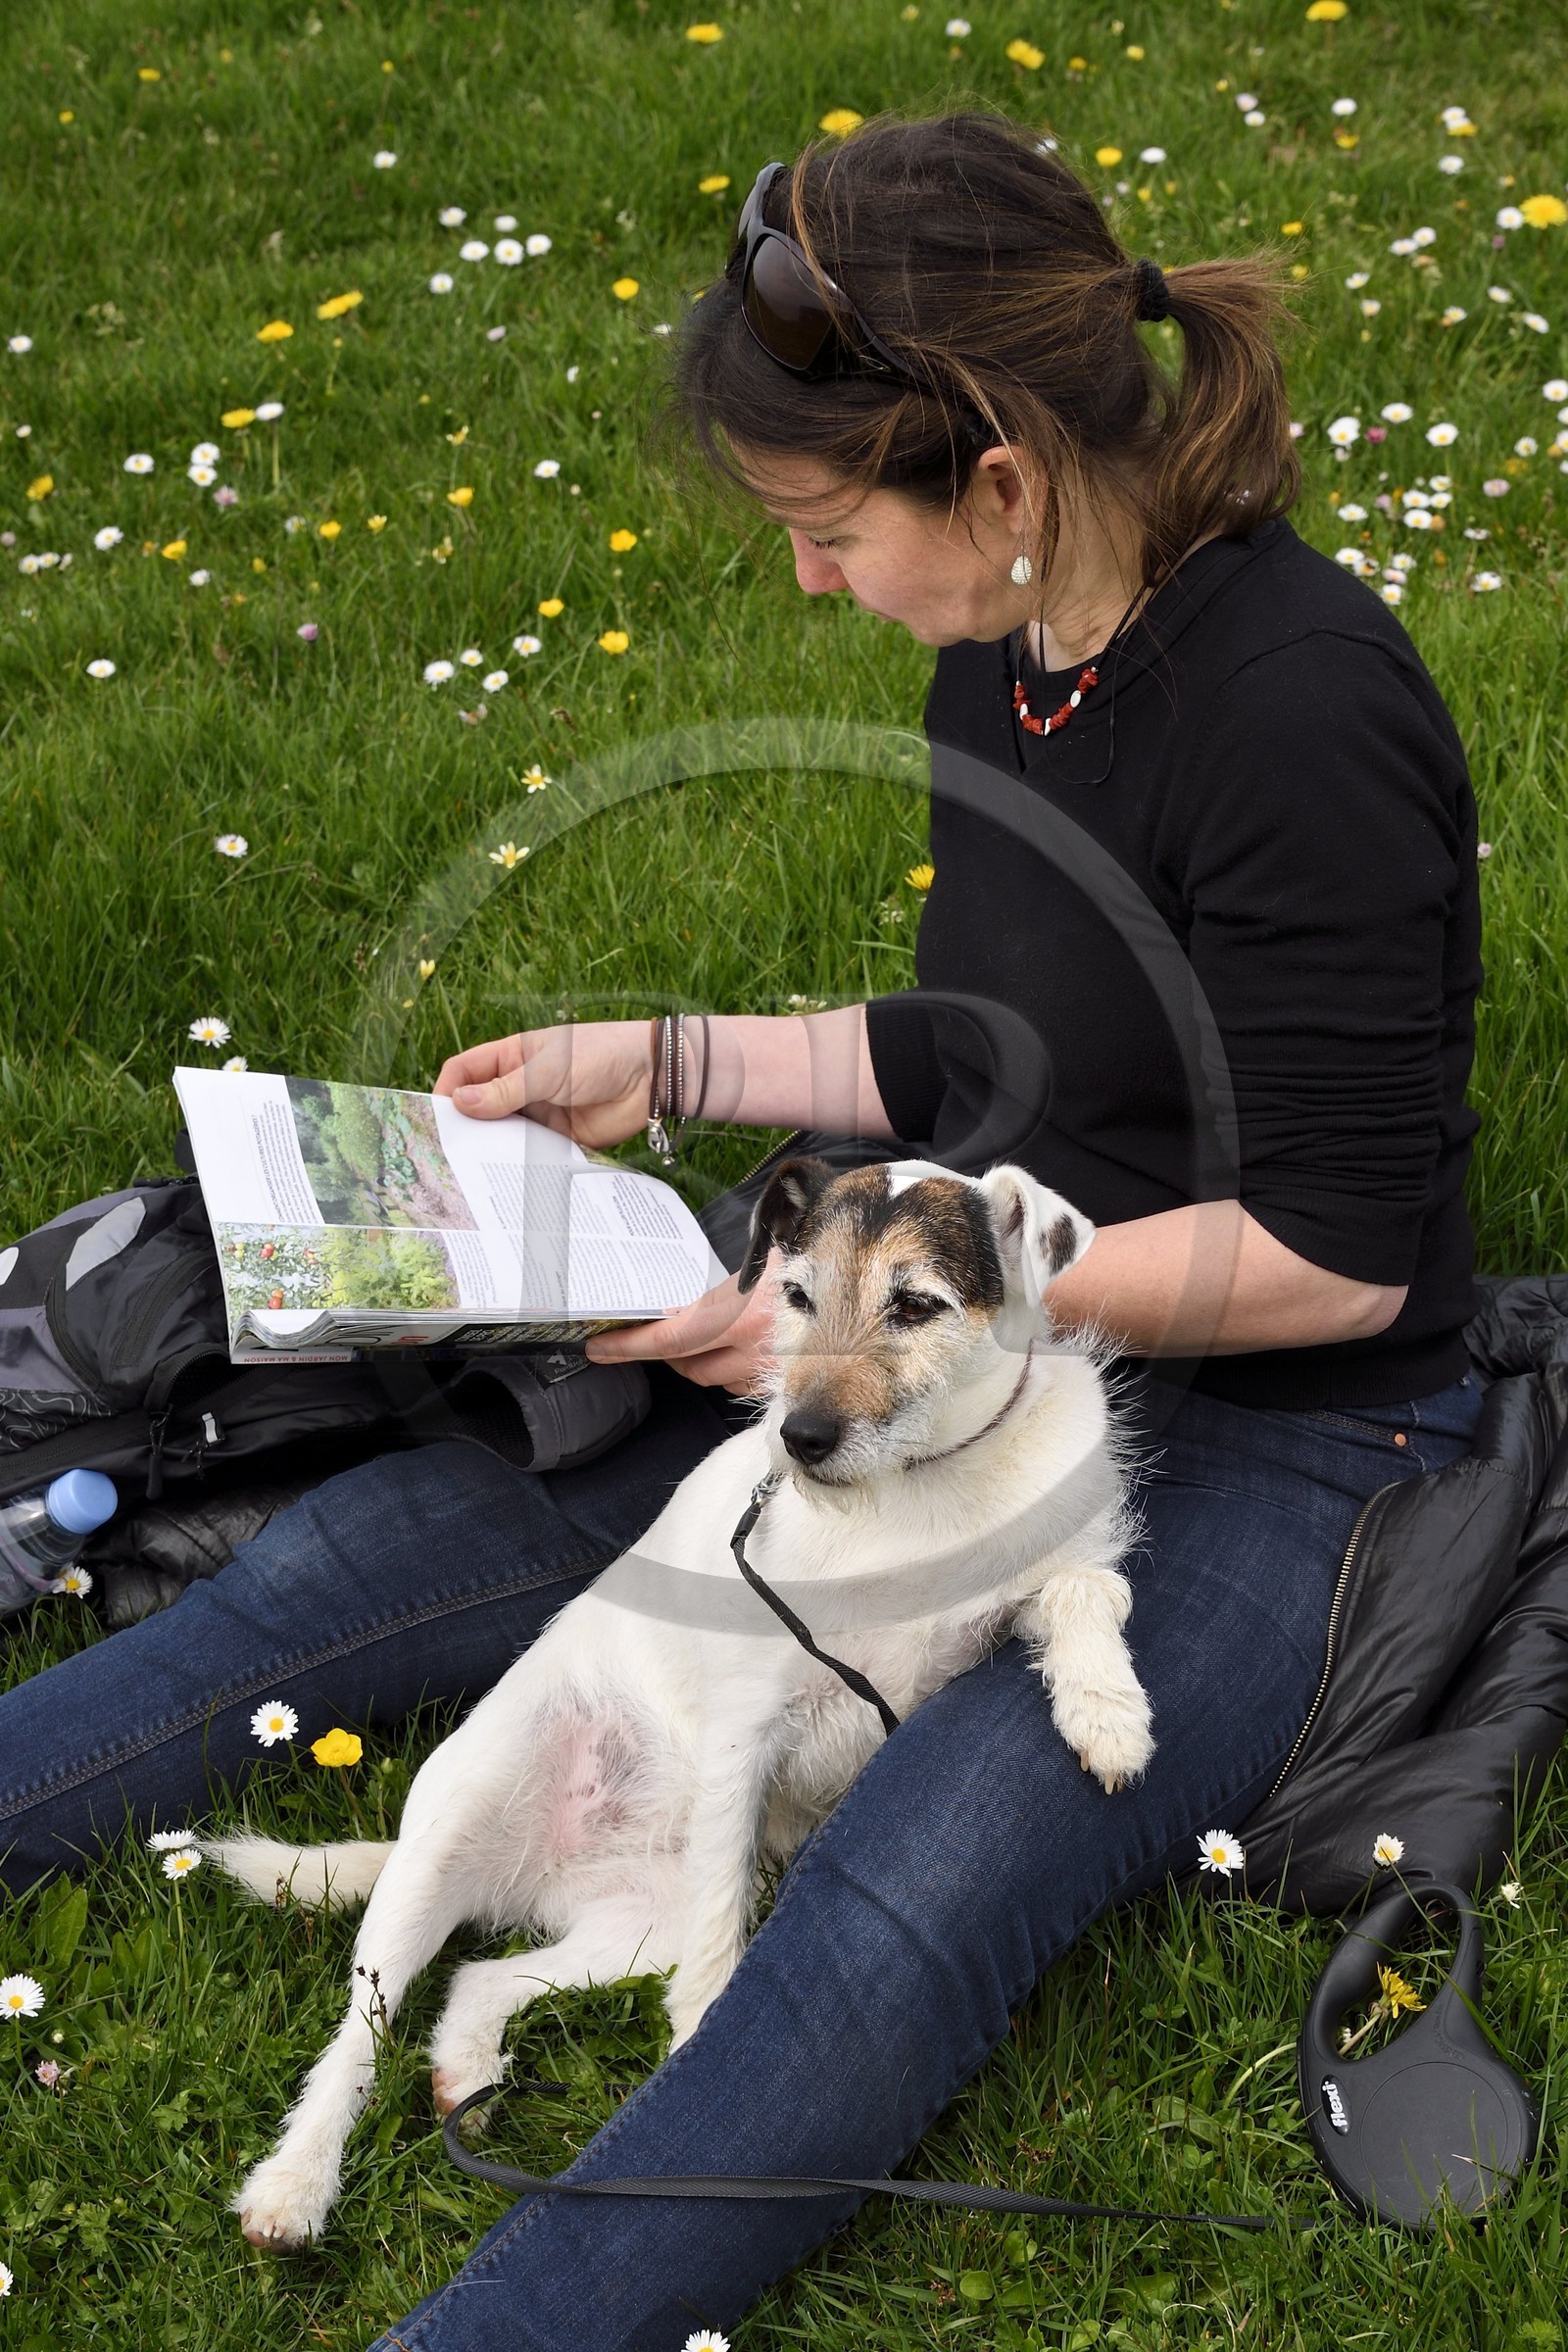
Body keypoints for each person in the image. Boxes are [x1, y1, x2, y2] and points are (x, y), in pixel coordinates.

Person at [0, 111, 1486, 2350]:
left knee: (882, 1911)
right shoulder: (1010, 630)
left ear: (989, 475)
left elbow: (1345, 1250)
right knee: (368, 1561)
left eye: (820, 525)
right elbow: (996, 1041)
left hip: (1261, 1420)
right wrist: (671, 1060)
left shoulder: (1299, 715)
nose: (807, 578)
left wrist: (885, 1365)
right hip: (938, 1307)